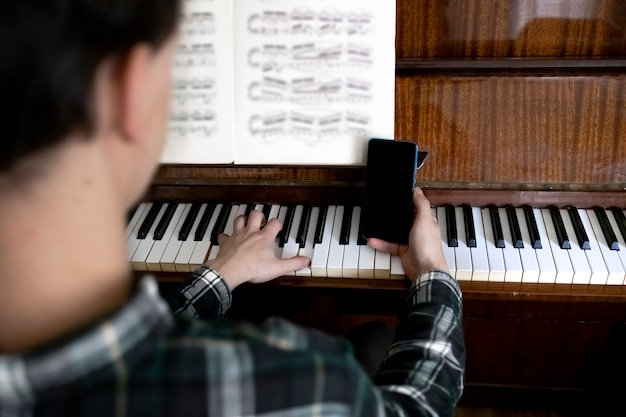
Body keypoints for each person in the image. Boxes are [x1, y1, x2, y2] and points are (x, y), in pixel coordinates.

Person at [0, 1, 465, 416]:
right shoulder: (307, 385)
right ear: (131, 89)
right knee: (377, 343)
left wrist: (217, 277)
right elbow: (418, 405)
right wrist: (432, 273)